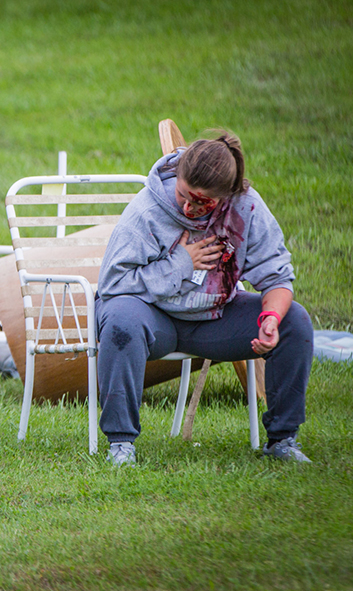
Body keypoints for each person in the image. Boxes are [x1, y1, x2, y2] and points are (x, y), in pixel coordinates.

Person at [96, 131, 313, 466]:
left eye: (203, 202)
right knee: (120, 320)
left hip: (215, 319)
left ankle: (283, 440)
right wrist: (181, 262)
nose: (189, 207)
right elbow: (113, 284)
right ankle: (120, 443)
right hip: (154, 319)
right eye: (185, 195)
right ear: (178, 175)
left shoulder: (247, 207)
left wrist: (270, 319)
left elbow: (277, 277)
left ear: (226, 196)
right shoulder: (146, 211)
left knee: (294, 321)